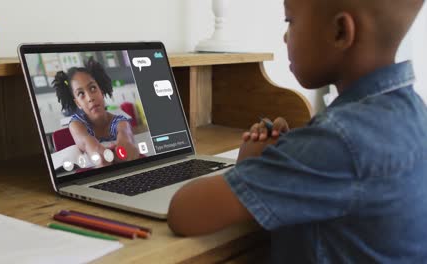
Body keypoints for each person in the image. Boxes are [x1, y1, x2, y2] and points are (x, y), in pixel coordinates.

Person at [168, 0, 427, 262]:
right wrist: (291, 155)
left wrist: (252, 165)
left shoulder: (338, 140)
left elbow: (184, 213)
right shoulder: (414, 113)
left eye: (289, 21)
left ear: (340, 31)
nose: (284, 36)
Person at [53, 57, 139, 165]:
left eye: (93, 88)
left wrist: (126, 144)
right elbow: (88, 143)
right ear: (78, 103)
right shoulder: (76, 125)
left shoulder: (120, 122)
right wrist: (99, 153)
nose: (89, 98)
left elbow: (125, 133)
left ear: (101, 92)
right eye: (81, 94)